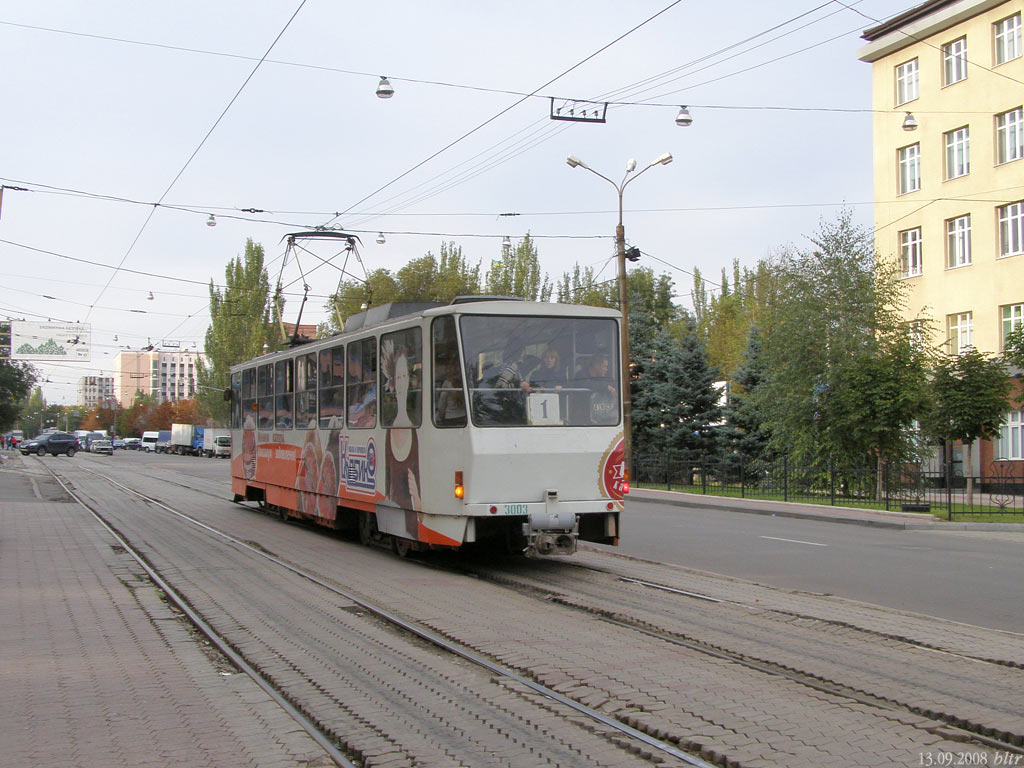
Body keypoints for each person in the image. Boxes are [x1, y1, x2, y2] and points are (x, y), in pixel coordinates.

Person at [383, 343, 421, 511]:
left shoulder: (418, 424)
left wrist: (417, 496)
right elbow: (385, 488)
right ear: (392, 381)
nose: (401, 382)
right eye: (398, 377)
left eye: (405, 376)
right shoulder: (387, 428)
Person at [577, 353, 618, 425]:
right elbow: (584, 383)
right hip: (582, 415)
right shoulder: (581, 374)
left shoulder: (606, 376)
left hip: (604, 417)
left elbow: (614, 386)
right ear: (596, 365)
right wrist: (605, 387)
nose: (606, 369)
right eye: (604, 366)